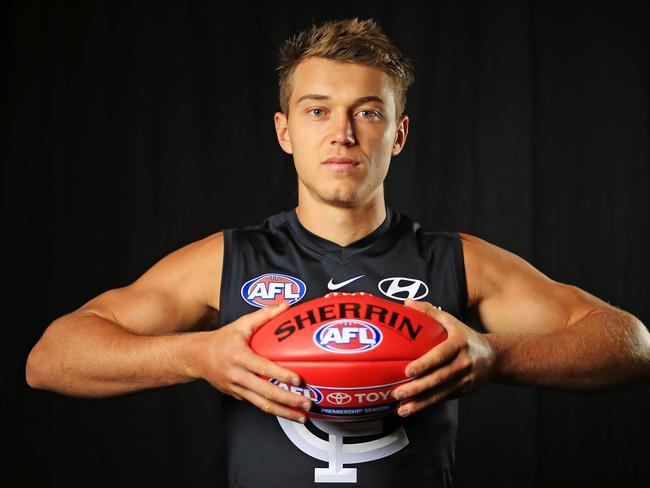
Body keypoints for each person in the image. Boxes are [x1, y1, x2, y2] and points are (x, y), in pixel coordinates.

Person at [26, 17, 649, 488]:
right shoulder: (224, 261)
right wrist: (197, 354)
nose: (342, 133)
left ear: (398, 134)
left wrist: (494, 356)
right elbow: (52, 358)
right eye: (317, 109)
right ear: (284, 131)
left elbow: (631, 345)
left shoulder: (457, 260)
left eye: (368, 112)